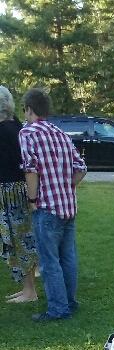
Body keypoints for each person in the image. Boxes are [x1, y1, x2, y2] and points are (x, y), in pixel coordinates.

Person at [19, 87, 87, 322]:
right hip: (68, 205)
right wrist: (67, 186)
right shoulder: (60, 132)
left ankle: (58, 309)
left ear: (29, 110)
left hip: (46, 206)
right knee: (68, 257)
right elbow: (81, 168)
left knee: (49, 262)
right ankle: (70, 301)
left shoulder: (28, 133)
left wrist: (32, 199)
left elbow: (30, 169)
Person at [0, 86, 38, 303]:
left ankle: (29, 291)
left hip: (11, 192)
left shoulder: (5, 130)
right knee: (22, 239)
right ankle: (27, 287)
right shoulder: (15, 125)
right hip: (17, 190)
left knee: (20, 241)